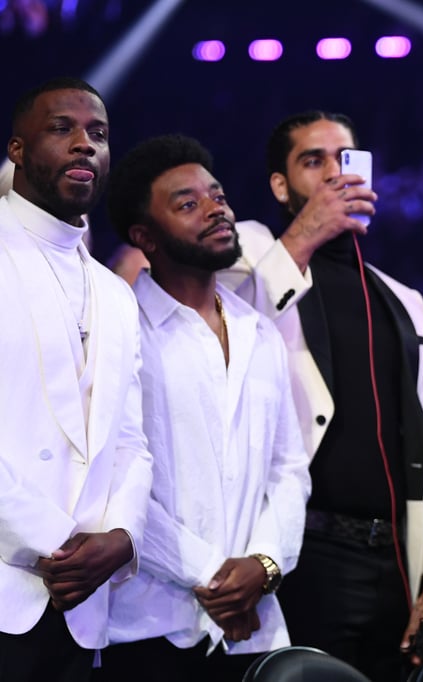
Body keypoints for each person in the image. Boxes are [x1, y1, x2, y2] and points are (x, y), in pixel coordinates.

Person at [219, 110, 423, 681]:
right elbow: (231, 335)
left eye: (344, 159)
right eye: (312, 160)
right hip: (303, 550)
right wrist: (303, 235)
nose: (332, 173)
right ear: (279, 184)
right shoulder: (248, 252)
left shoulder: (404, 299)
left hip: (394, 552)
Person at [96, 135, 312, 680]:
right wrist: (215, 576)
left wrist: (263, 565)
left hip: (251, 626)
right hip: (143, 628)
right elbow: (113, 481)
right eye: (188, 203)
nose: (217, 208)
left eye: (216, 195)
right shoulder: (119, 332)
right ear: (144, 236)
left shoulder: (258, 330)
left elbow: (288, 469)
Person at [0, 77, 153, 681]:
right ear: (16, 149)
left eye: (99, 133)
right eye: (62, 129)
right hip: (15, 576)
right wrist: (63, 544)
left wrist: (122, 536)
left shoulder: (116, 293)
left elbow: (131, 441)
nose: (85, 144)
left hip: (82, 605)